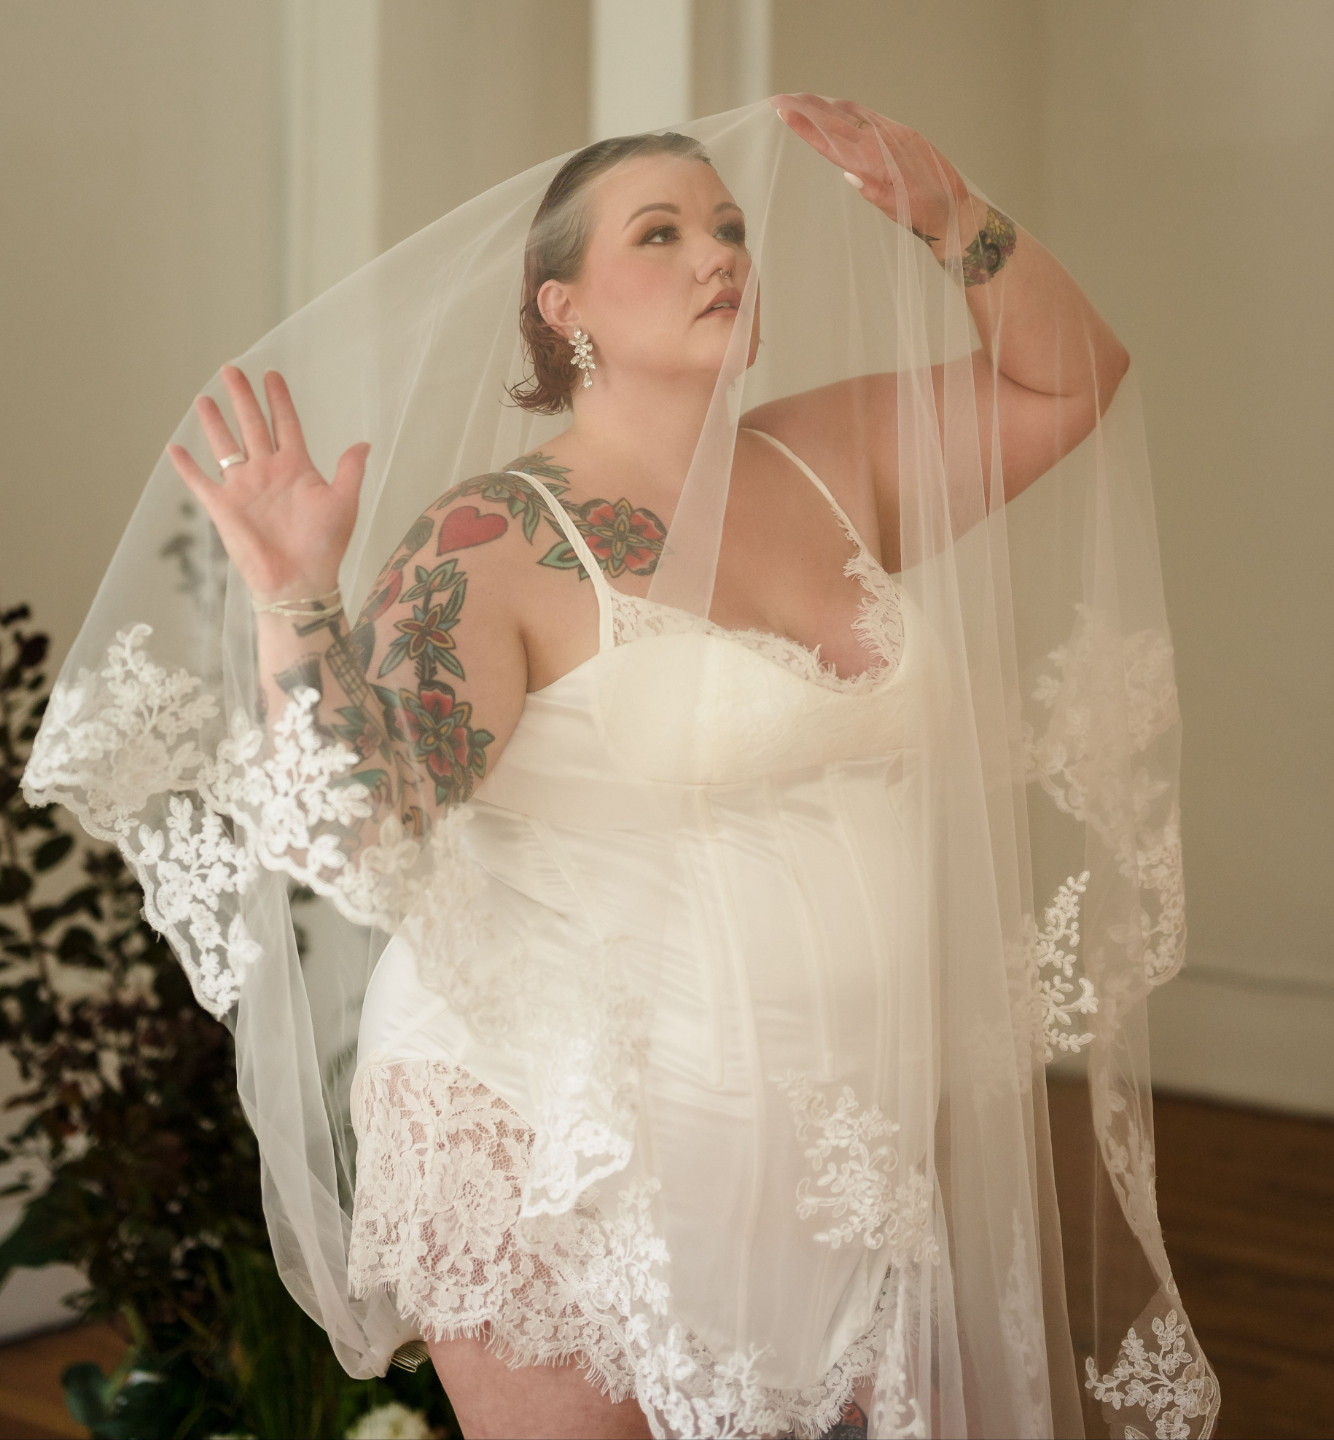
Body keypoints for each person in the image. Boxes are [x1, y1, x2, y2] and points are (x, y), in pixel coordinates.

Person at [29, 97, 1217, 1439]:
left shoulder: (827, 461)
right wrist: (296, 602)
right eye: (660, 233)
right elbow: (373, 825)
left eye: (730, 228)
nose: (718, 254)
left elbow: (1068, 379)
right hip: (559, 1134)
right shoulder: (491, 539)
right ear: (562, 308)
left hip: (836, 1136)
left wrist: (951, 216)